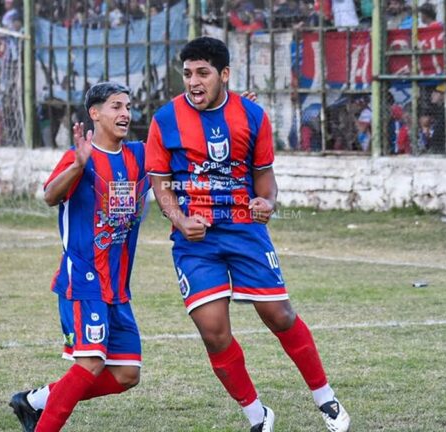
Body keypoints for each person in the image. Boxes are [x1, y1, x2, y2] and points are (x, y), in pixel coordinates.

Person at [145, 36, 351, 432]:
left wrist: (267, 203)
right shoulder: (165, 120)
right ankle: (257, 416)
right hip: (196, 241)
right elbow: (161, 184)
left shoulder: (252, 115)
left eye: (202, 73)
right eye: (187, 74)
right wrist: (178, 219)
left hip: (243, 230)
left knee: (279, 314)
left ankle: (324, 397)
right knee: (213, 332)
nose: (193, 82)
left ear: (224, 75)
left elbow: (265, 179)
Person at [9, 82, 147, 432]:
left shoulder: (139, 157)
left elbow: (180, 151)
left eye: (128, 106)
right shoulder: (78, 157)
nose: (125, 113)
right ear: (95, 113)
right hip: (83, 281)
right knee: (89, 363)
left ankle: (35, 401)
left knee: (127, 374)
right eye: (116, 106)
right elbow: (49, 196)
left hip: (117, 287)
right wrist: (77, 166)